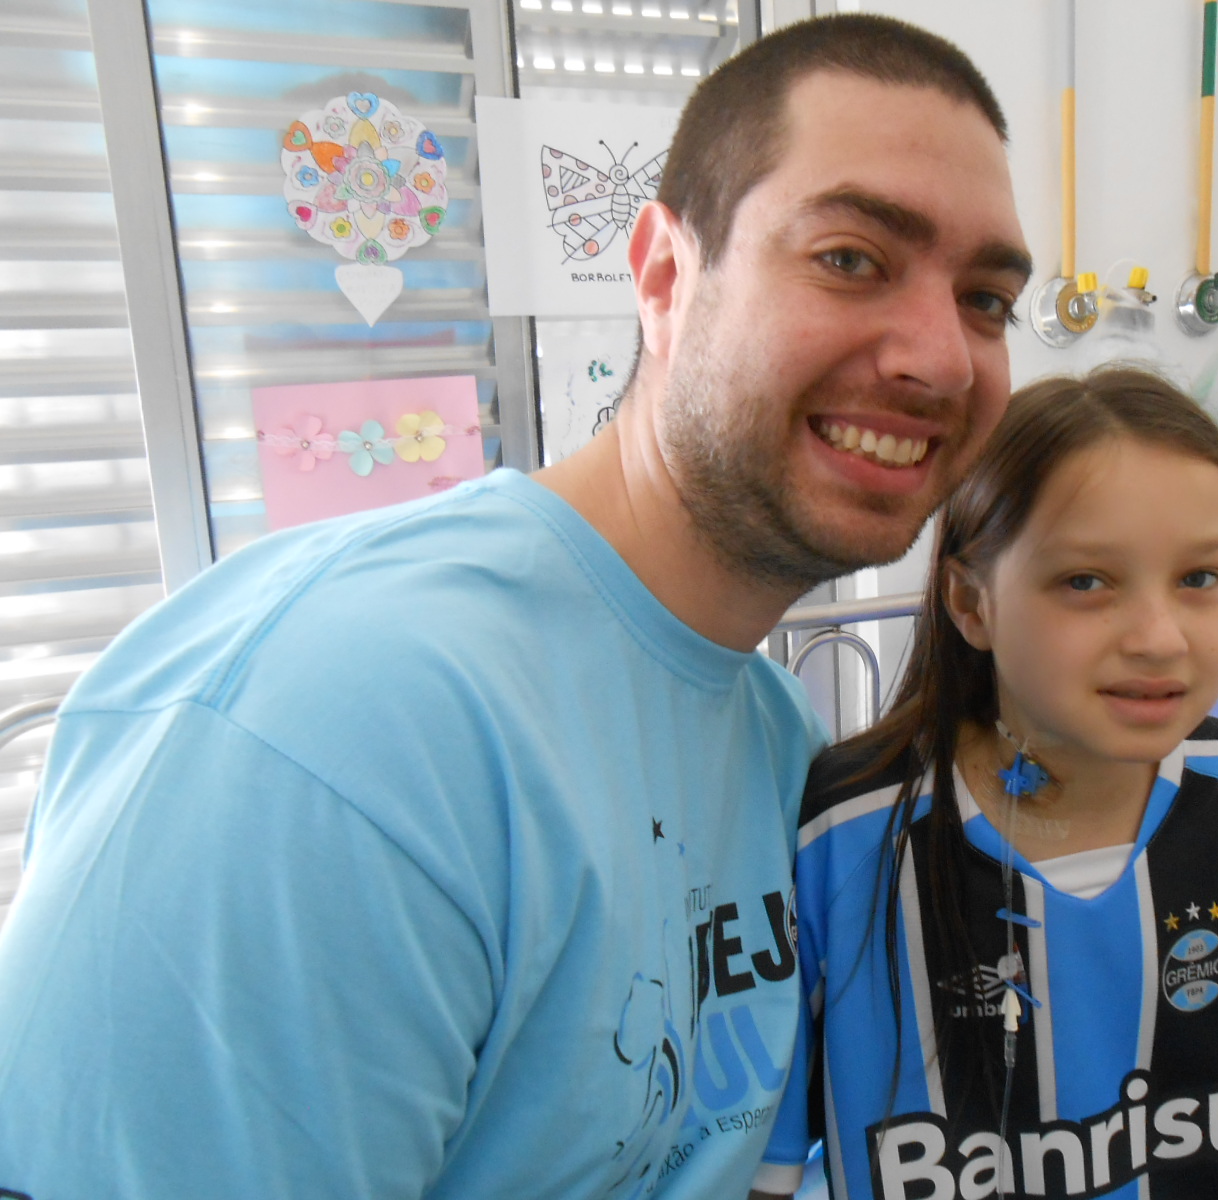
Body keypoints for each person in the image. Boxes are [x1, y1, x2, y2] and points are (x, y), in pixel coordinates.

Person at [0, 14, 1034, 1200]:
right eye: (850, 258)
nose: (943, 358)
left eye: (986, 299)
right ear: (662, 276)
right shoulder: (347, 733)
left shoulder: (768, 732)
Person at [754, 371, 1218, 1200]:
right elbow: (761, 1161)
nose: (1160, 638)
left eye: (1200, 577)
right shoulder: (845, 841)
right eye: (1086, 582)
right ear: (971, 602)